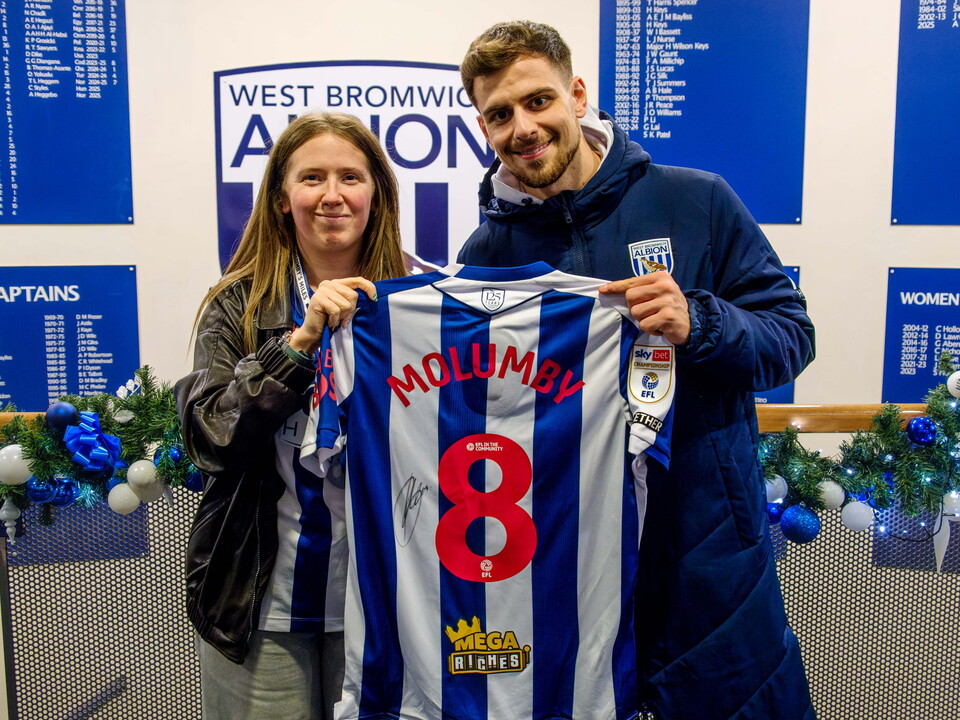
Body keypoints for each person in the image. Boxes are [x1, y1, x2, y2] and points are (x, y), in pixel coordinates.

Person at [457, 21, 817, 720]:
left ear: (578, 93)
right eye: (499, 115)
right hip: (561, 563)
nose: (523, 128)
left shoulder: (696, 200)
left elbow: (791, 337)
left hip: (705, 558)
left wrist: (700, 322)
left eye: (537, 101)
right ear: (482, 127)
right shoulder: (485, 253)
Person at [175, 111, 407, 720]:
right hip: (261, 604)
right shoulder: (239, 302)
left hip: (385, 602)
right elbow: (211, 437)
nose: (332, 195)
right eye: (312, 178)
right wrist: (298, 344)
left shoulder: (417, 298)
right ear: (282, 198)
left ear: (376, 193)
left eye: (351, 177)